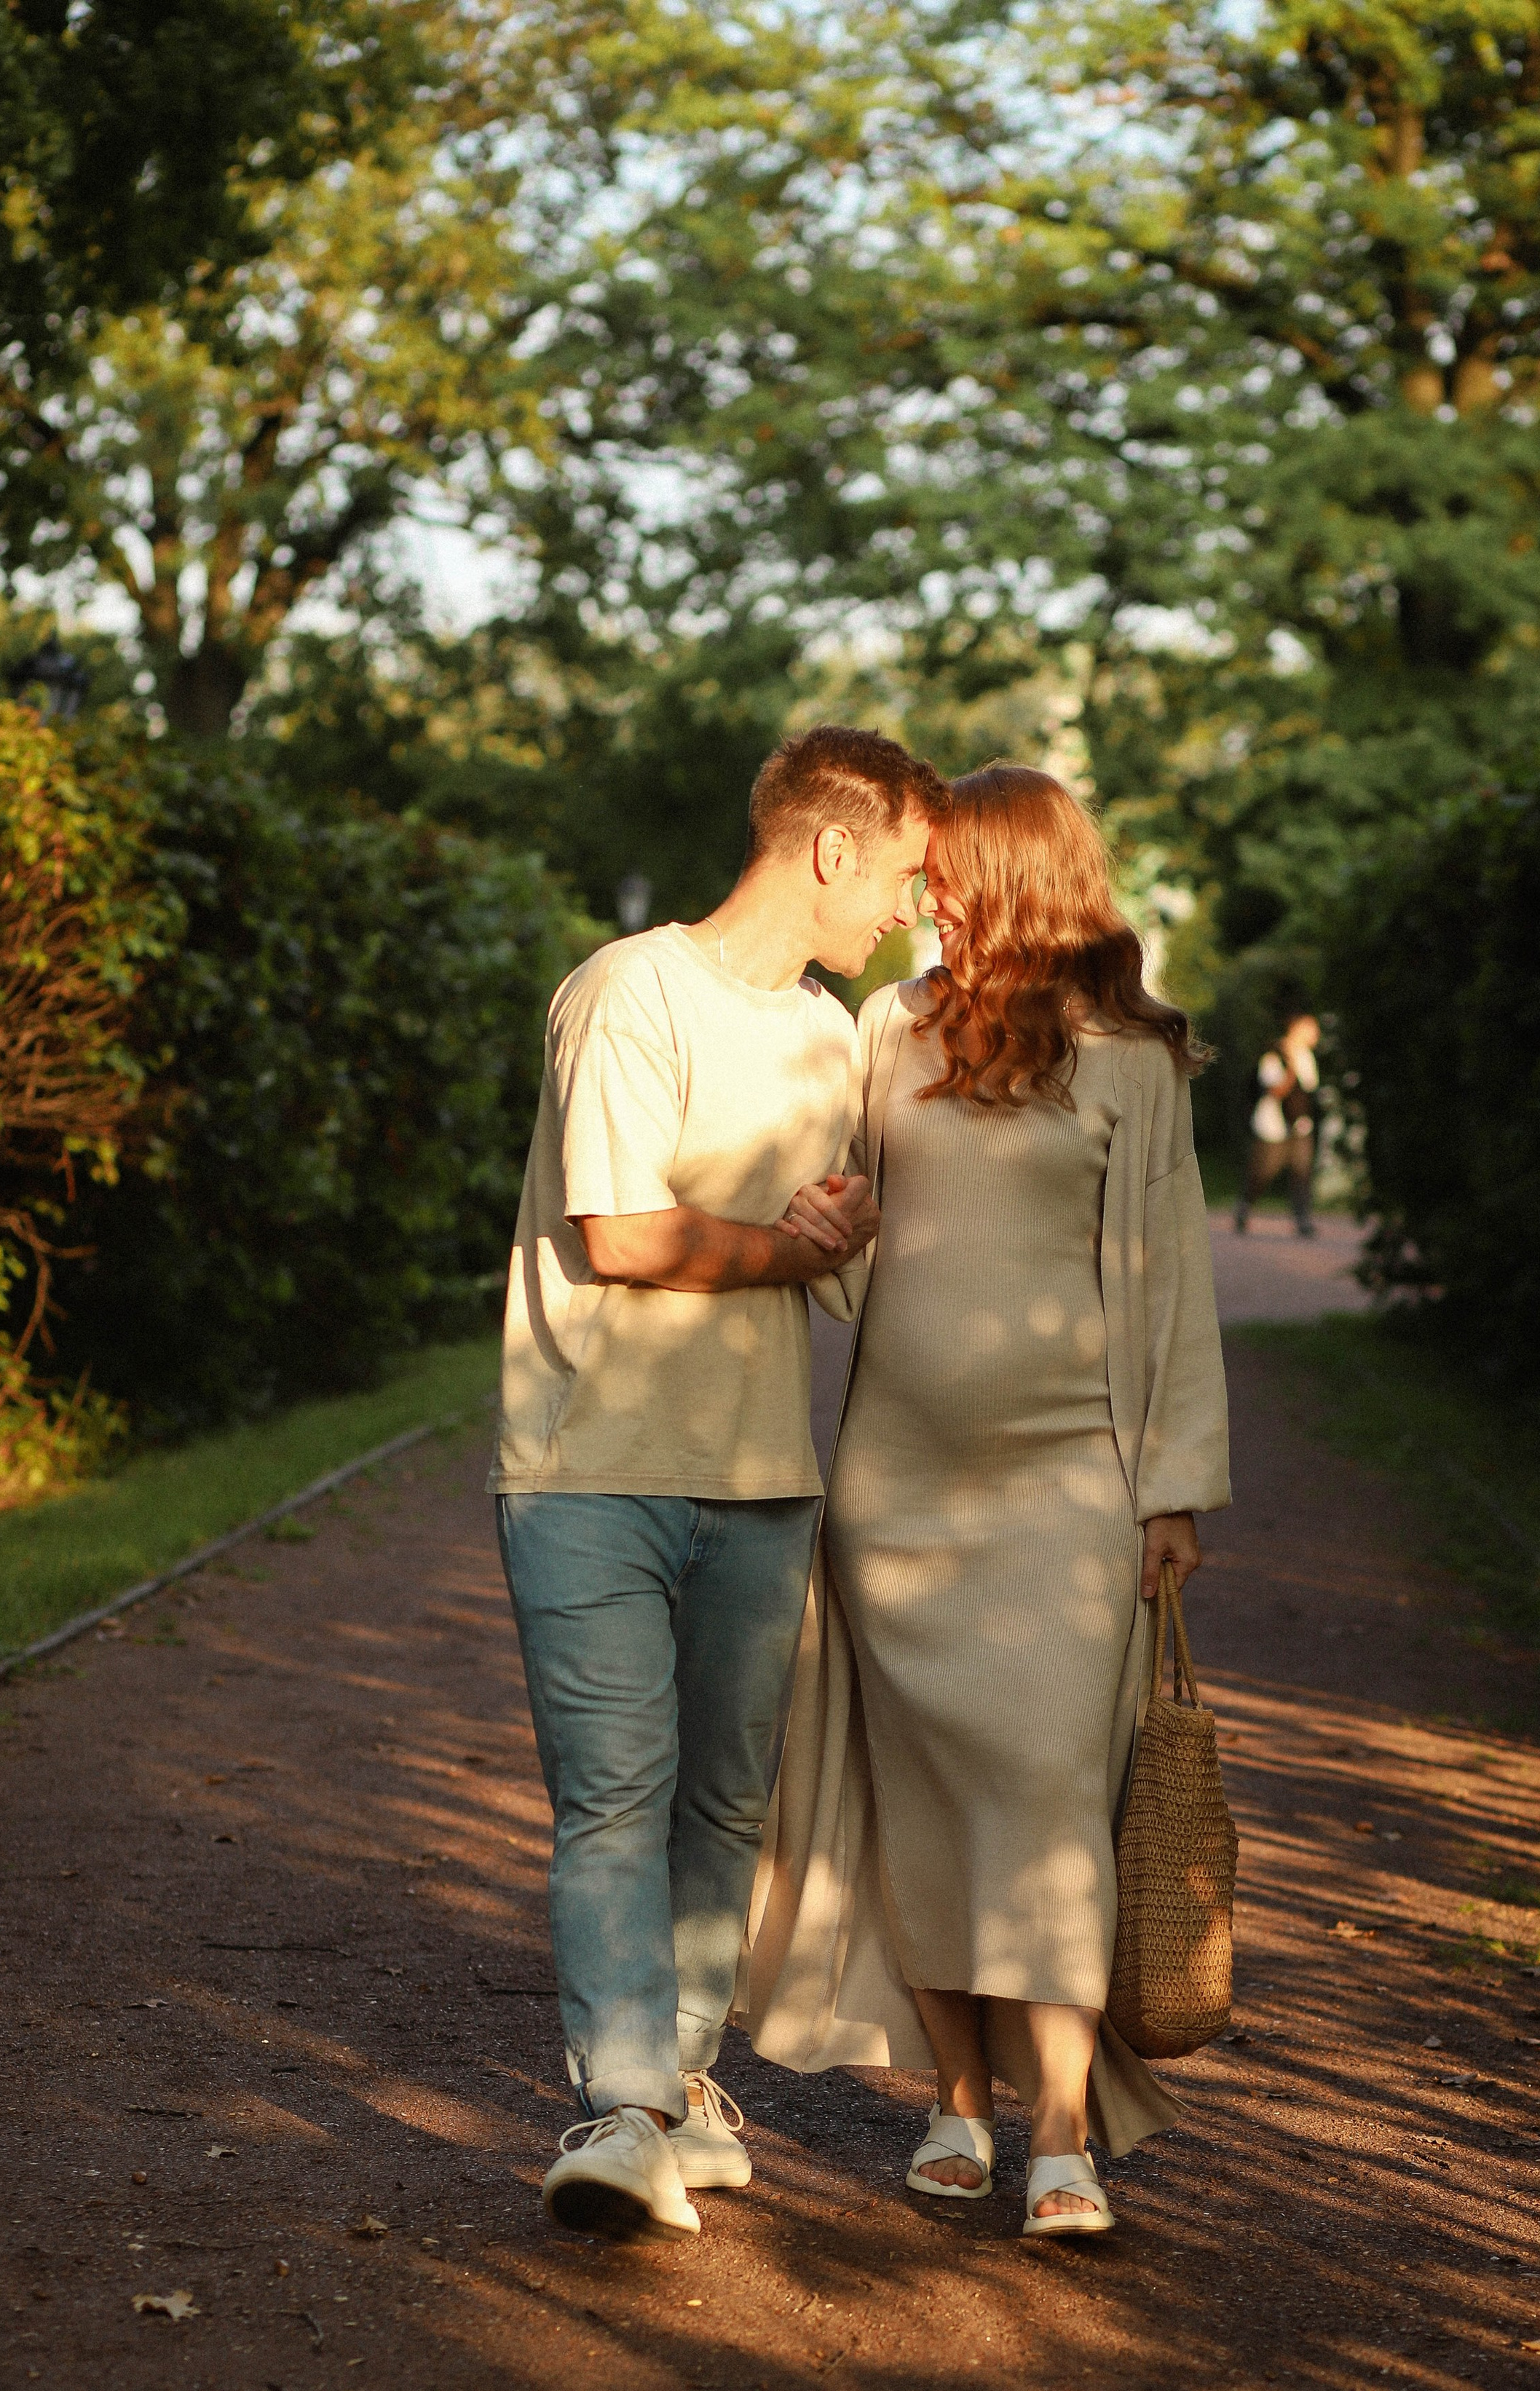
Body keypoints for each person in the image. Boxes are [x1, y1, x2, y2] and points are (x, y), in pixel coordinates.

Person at [738, 763, 1231, 2237]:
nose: (922, 894)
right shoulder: (889, 1032)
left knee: (1046, 1805)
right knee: (928, 1816)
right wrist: (813, 1230)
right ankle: (957, 2101)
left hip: (1065, 1500)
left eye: (945, 870)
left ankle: (1063, 2135)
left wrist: (1171, 1490)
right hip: (895, 1496)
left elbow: (1172, 1285)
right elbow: (842, 1247)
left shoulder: (1130, 1061)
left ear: (1012, 877)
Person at [491, 724, 949, 2240]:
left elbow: (825, 1266)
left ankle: (677, 2088)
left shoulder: (831, 1038)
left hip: (763, 1476)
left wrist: (848, 1233)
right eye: (892, 872)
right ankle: (620, 2106)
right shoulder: (629, 991)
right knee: (611, 1796)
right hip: (591, 1470)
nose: (898, 907)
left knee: (724, 1805)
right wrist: (791, 1246)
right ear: (828, 848)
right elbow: (619, 1232)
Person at [1233, 1011, 1320, 1236]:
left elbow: (1308, 1091)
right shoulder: (1274, 1056)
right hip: (1273, 1127)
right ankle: (1244, 1207)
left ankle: (1302, 1220)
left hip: (1300, 1126)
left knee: (1302, 1173)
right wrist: (1290, 1068)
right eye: (1310, 1028)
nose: (1315, 1033)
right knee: (1263, 1172)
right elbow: (1276, 1090)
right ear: (1297, 1028)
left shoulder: (1308, 1056)